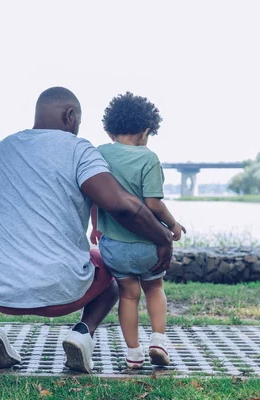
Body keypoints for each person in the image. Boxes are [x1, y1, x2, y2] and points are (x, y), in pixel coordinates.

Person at [0, 87, 173, 374]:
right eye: (77, 122)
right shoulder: (78, 150)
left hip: (0, 291)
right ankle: (82, 333)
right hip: (64, 291)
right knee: (114, 278)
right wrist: (163, 235)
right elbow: (122, 205)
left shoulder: (0, 150)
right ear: (70, 116)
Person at [90, 92, 185, 369]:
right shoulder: (148, 158)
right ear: (146, 131)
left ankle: (133, 353)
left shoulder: (99, 154)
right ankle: (157, 340)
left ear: (110, 130)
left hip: (115, 248)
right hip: (147, 246)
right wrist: (174, 225)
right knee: (154, 288)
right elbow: (153, 204)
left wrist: (95, 227)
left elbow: (97, 195)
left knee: (128, 295)